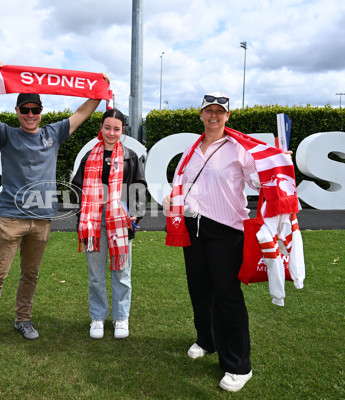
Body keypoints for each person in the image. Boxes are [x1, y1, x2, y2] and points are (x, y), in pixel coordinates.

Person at [0, 61, 110, 354]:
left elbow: (81, 114)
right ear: (18, 113)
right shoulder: (7, 135)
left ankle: (23, 319)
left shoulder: (54, 133)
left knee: (30, 275)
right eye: (25, 110)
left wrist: (98, 91)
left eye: (35, 110)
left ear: (41, 112)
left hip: (42, 220)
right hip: (10, 218)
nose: (31, 115)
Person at [163, 92, 260, 392]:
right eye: (209, 111)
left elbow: (259, 181)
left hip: (226, 231)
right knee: (200, 290)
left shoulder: (239, 149)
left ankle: (239, 365)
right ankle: (207, 339)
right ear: (201, 115)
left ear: (227, 116)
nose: (214, 116)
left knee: (227, 296)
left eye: (220, 111)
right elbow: (184, 183)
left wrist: (278, 163)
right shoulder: (192, 150)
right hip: (194, 228)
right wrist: (174, 198)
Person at [71, 108, 146, 340]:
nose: (111, 133)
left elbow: (139, 187)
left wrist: (135, 214)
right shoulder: (89, 155)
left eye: (116, 128)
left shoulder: (131, 156)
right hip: (94, 222)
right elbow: (76, 188)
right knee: (95, 274)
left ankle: (121, 318)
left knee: (122, 272)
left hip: (120, 221)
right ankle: (98, 317)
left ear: (123, 130)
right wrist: (83, 213)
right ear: (101, 128)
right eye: (107, 127)